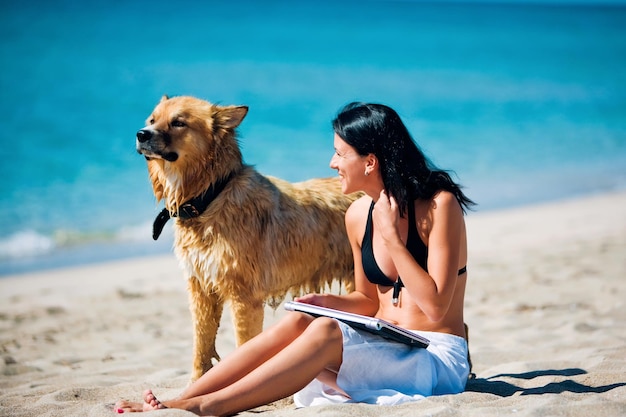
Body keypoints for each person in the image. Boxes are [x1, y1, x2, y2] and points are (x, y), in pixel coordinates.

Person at [115, 102, 475, 415]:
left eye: (340, 153)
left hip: (434, 358)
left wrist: (393, 241)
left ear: (370, 161)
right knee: (303, 321)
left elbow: (436, 308)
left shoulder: (438, 206)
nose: (332, 163)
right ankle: (187, 397)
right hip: (386, 344)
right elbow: (367, 300)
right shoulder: (357, 215)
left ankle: (211, 406)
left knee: (326, 330)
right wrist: (322, 302)